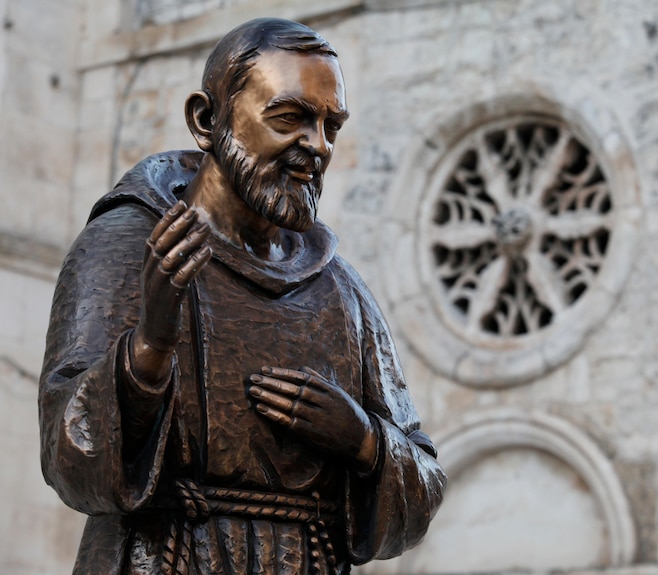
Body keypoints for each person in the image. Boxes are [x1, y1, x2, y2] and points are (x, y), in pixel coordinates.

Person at [39, 18, 446, 575]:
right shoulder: (125, 246)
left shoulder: (341, 291)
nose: (317, 146)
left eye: (332, 126)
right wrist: (150, 345)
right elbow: (70, 453)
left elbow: (424, 484)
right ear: (207, 120)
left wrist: (364, 440)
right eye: (290, 117)